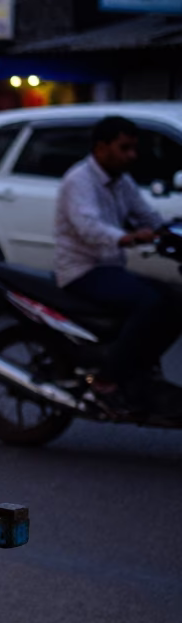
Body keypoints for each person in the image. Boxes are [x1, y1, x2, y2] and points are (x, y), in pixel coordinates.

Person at [56, 115, 181, 415]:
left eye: (133, 149)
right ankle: (105, 381)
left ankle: (139, 372)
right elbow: (89, 227)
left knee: (175, 302)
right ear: (101, 148)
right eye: (125, 148)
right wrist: (128, 238)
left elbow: (146, 215)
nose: (132, 156)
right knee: (150, 304)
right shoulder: (79, 181)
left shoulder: (121, 181)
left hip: (110, 268)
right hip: (82, 271)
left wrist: (170, 229)